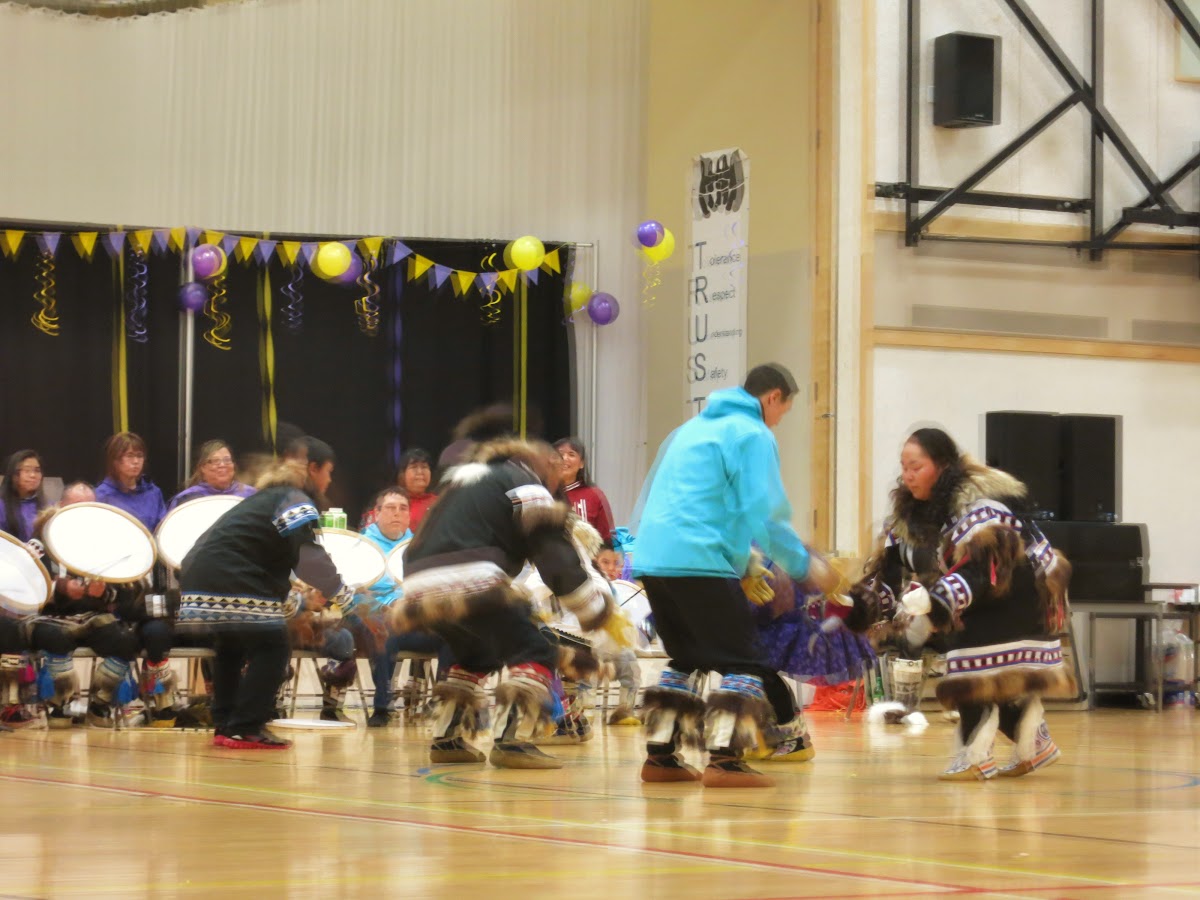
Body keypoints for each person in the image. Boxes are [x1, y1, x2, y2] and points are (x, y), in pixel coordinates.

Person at [632, 363, 838, 788]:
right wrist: (803, 567)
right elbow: (763, 512)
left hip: (653, 557)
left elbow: (696, 503)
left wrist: (742, 561)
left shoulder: (692, 429)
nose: (780, 419)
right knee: (744, 660)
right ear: (772, 397)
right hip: (698, 559)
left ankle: (661, 757)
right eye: (785, 409)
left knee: (687, 657)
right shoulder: (752, 433)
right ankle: (726, 760)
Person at [390, 434, 624, 770]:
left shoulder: (467, 479)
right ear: (545, 464)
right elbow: (554, 558)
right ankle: (512, 740)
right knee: (535, 650)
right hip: (472, 578)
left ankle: (448, 738)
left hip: (416, 583)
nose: (559, 477)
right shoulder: (526, 483)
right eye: (555, 466)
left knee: (474, 654)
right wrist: (592, 607)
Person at [852, 427, 1073, 781]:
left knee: (971, 667)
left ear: (941, 466)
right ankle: (1036, 743)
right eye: (903, 467)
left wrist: (938, 599)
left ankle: (974, 756)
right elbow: (889, 575)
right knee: (989, 670)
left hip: (1021, 591)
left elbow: (985, 568)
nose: (908, 475)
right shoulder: (910, 517)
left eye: (916, 466)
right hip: (978, 595)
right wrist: (856, 605)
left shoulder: (980, 508)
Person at [178, 439, 352, 750]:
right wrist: (344, 595)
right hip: (229, 576)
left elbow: (271, 557)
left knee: (231, 647)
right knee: (273, 645)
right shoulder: (295, 500)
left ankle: (226, 724)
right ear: (313, 470)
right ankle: (245, 726)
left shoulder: (268, 498)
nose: (329, 480)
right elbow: (309, 557)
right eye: (328, 472)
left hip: (200, 573)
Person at [357, 486, 448, 727]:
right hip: (374, 620)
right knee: (383, 630)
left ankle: (441, 701)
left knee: (452, 632)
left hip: (412, 621)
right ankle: (382, 707)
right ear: (376, 513)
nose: (397, 513)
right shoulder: (360, 546)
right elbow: (352, 594)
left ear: (409, 515)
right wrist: (381, 609)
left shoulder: (419, 547)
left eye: (403, 509)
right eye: (390, 508)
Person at [95, 432, 167, 533]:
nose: (136, 461)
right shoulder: (101, 496)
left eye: (140, 456)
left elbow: (163, 529)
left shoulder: (153, 493)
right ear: (115, 460)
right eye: (130, 456)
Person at [555, 438, 615, 544]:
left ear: (581, 463)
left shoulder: (595, 495)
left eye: (571, 454)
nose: (564, 458)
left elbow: (607, 540)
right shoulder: (542, 494)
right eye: (560, 454)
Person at [168, 440, 257, 510]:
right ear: (202, 467)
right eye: (215, 461)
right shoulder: (187, 499)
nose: (222, 465)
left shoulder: (252, 495)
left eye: (227, 460)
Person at [0, 450, 48, 542]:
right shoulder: (1, 506)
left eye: (37, 471)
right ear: (14, 475)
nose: (33, 475)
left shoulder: (49, 507)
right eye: (27, 470)